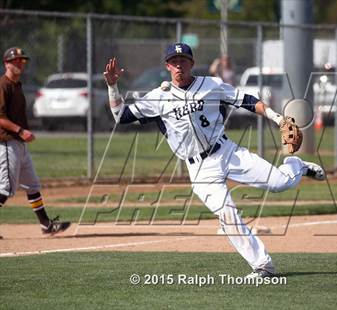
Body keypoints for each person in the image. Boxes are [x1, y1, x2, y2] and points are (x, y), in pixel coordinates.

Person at [103, 43, 325, 279]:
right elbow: (121, 116)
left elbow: (246, 99)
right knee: (227, 215)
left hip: (227, 152)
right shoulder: (158, 98)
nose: (179, 65)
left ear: (192, 63)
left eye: (183, 60)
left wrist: (277, 118)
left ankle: (296, 165)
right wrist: (112, 86)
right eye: (174, 61)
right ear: (167, 65)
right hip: (199, 169)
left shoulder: (211, 85)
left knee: (281, 183)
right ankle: (263, 266)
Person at [0, 47, 70, 236]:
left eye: (22, 61)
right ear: (6, 63)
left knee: (32, 186)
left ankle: (46, 225)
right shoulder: (3, 85)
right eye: (16, 61)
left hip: (19, 144)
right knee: (5, 189)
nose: (20, 63)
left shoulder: (17, 85)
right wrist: (20, 130)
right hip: (7, 142)